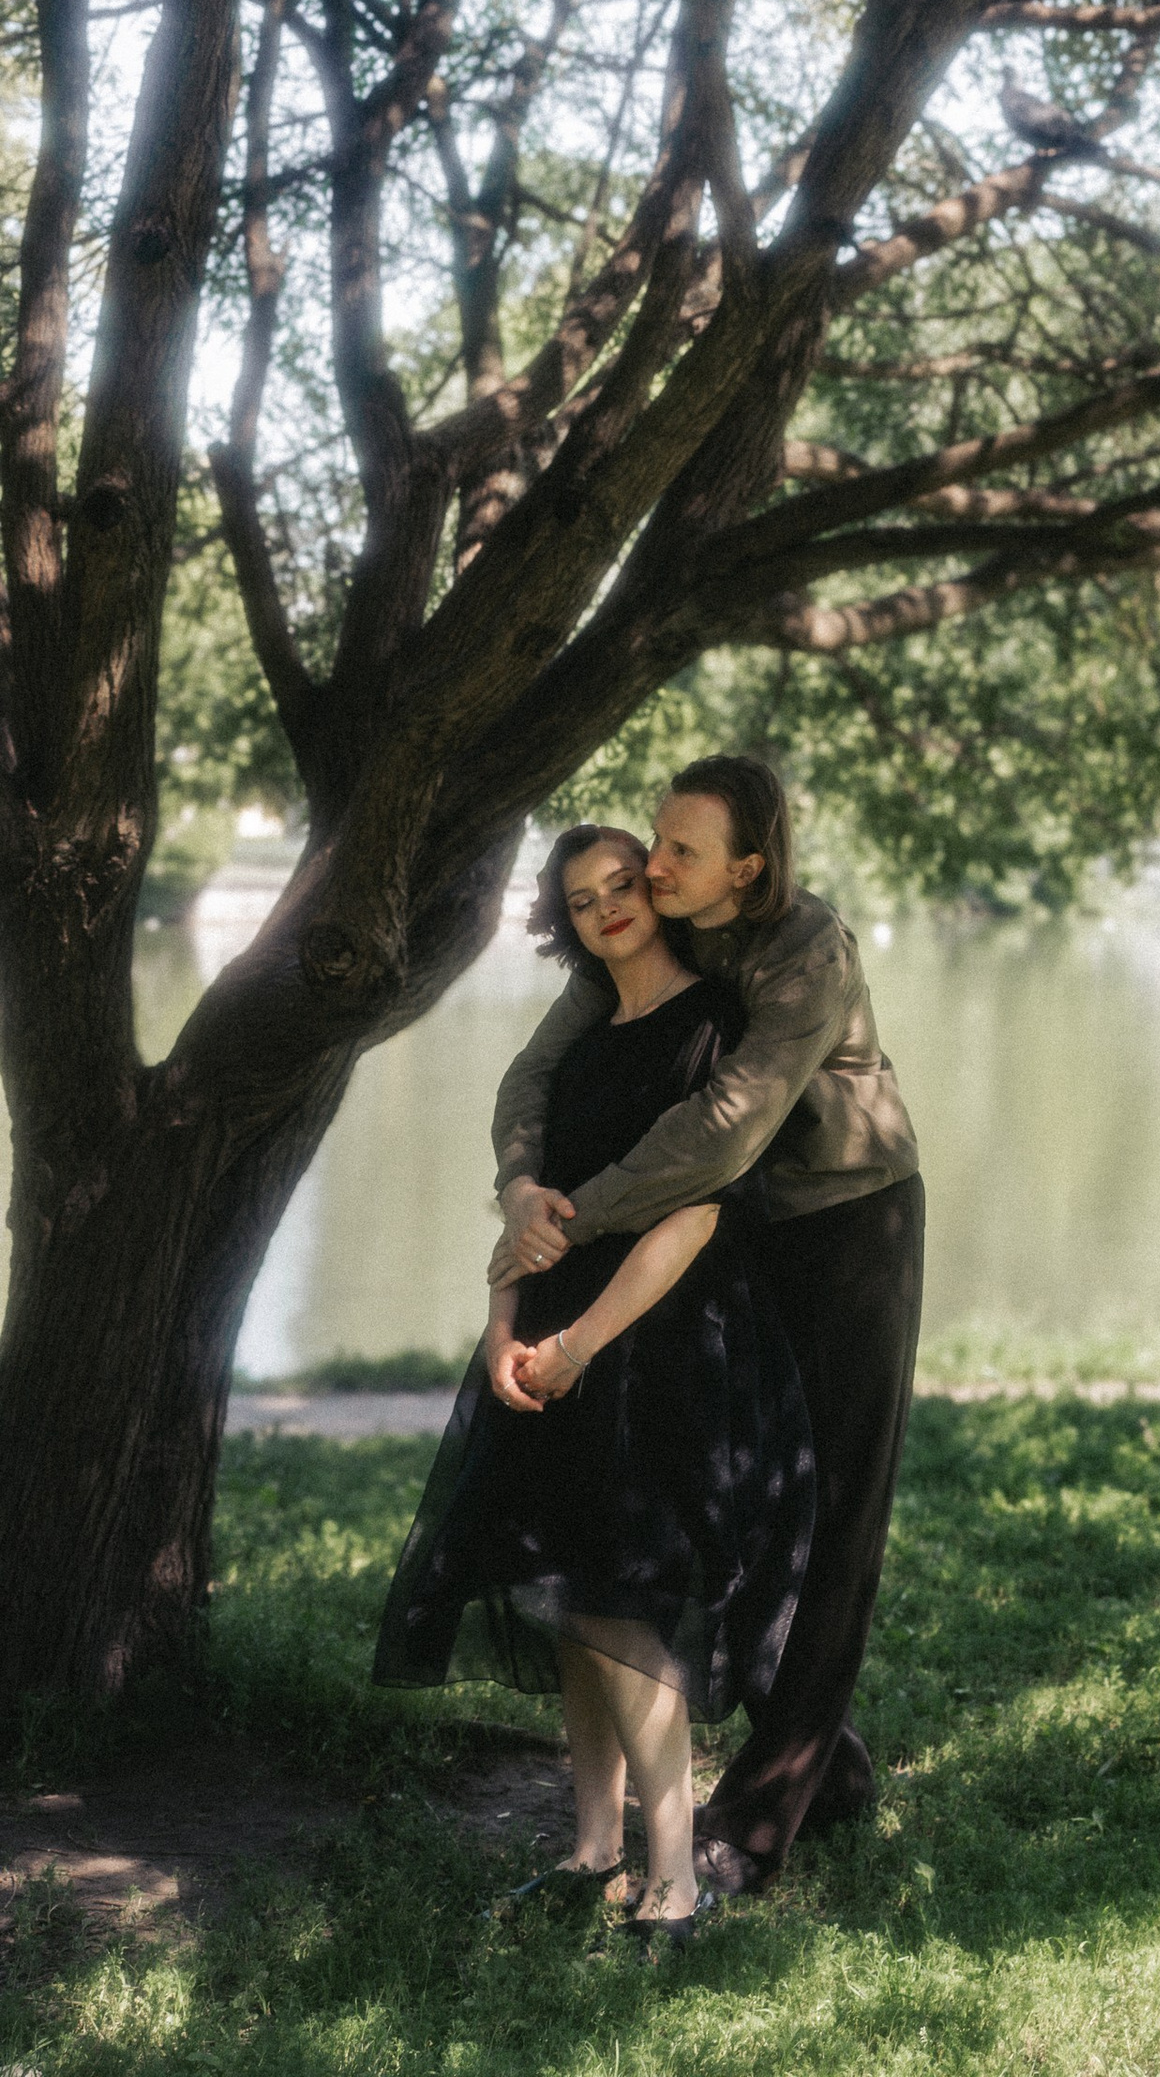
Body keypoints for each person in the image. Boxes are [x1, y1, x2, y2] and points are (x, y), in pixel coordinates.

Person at [373, 824, 816, 1955]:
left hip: (660, 1341)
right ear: (563, 922)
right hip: (558, 1336)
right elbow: (537, 1210)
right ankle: (589, 1851)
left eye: (626, 885)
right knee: (574, 1600)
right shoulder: (575, 1043)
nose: (610, 908)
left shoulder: (711, 1027)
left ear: (658, 898)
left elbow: (698, 1208)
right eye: (582, 900)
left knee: (628, 1610)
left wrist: (582, 1345)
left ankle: (674, 1883)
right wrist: (503, 1327)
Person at [488, 752, 924, 1900]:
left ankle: (762, 1819)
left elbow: (724, 1131)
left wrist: (571, 1226)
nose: (652, 863)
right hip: (726, 1232)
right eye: (655, 838)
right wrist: (521, 1191)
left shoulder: (806, 951)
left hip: (843, 1228)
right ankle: (820, 1759)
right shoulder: (653, 925)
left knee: (830, 1508)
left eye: (682, 850)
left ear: (748, 866)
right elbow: (532, 1078)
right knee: (741, 1494)